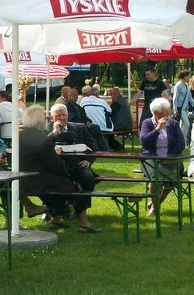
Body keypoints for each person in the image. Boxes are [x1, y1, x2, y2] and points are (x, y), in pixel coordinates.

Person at [46, 103, 102, 233]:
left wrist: (88, 160)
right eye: (58, 115)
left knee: (87, 179)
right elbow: (43, 148)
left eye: (64, 115)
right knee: (56, 183)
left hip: (77, 165)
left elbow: (93, 147)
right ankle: (56, 216)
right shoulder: (46, 130)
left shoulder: (79, 127)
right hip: (57, 168)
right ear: (52, 117)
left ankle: (80, 211)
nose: (61, 118)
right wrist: (55, 133)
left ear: (68, 115)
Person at [20, 105, 79, 226]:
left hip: (22, 178)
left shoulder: (19, 135)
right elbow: (54, 163)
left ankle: (56, 217)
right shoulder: (41, 138)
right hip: (37, 179)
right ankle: (61, 217)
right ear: (39, 121)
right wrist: (66, 172)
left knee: (60, 181)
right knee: (67, 183)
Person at [140, 97, 186, 216]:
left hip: (171, 159)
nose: (169, 112)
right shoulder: (147, 123)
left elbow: (181, 143)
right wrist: (157, 129)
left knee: (173, 178)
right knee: (156, 178)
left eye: (168, 110)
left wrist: (169, 157)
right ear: (156, 112)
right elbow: (144, 141)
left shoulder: (174, 124)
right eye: (166, 110)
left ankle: (157, 202)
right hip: (152, 159)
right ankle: (155, 208)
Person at [107, 87, 134, 151]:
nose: (111, 96)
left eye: (112, 94)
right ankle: (116, 146)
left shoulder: (117, 102)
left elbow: (110, 112)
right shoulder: (123, 100)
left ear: (116, 94)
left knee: (105, 130)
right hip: (128, 125)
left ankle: (116, 146)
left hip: (121, 125)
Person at [172, 70, 194, 144]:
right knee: (187, 124)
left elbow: (189, 97)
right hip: (179, 108)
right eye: (188, 76)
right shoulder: (178, 85)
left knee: (182, 125)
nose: (190, 77)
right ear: (184, 77)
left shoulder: (186, 85)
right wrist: (175, 108)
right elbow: (175, 97)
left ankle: (180, 141)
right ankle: (183, 141)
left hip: (185, 108)